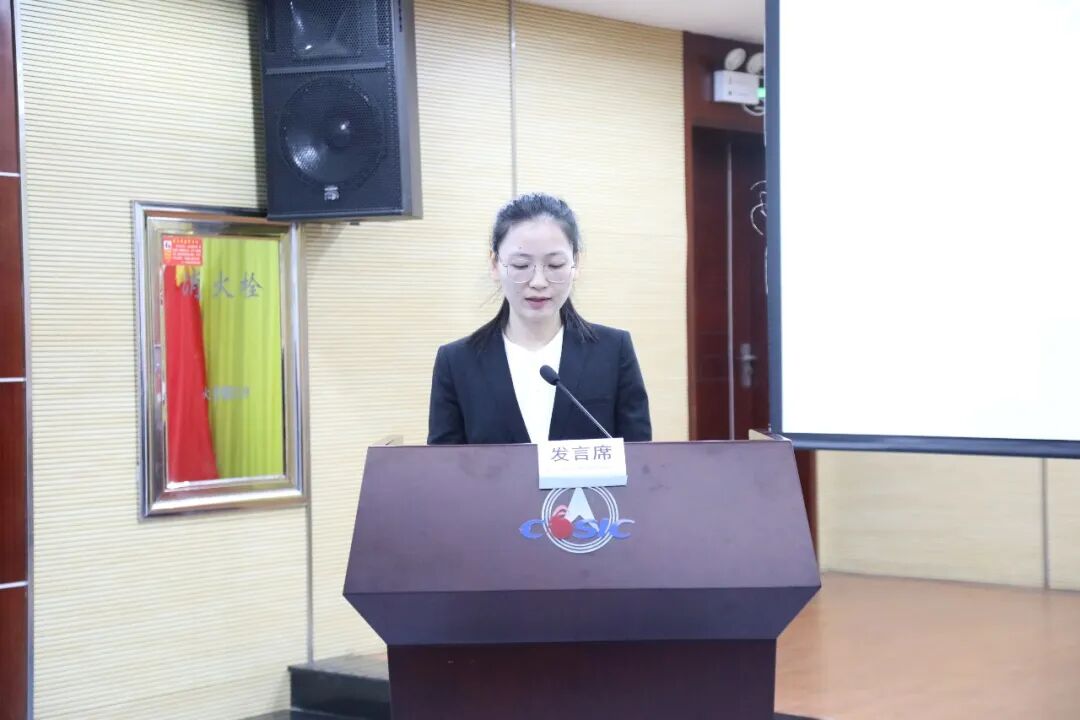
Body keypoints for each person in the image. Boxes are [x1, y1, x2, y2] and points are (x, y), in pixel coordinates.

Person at [427, 193, 651, 445]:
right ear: (495, 265)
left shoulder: (613, 350)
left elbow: (640, 457)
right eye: (521, 266)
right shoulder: (457, 362)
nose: (538, 282)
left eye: (554, 265)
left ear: (575, 263)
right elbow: (443, 463)